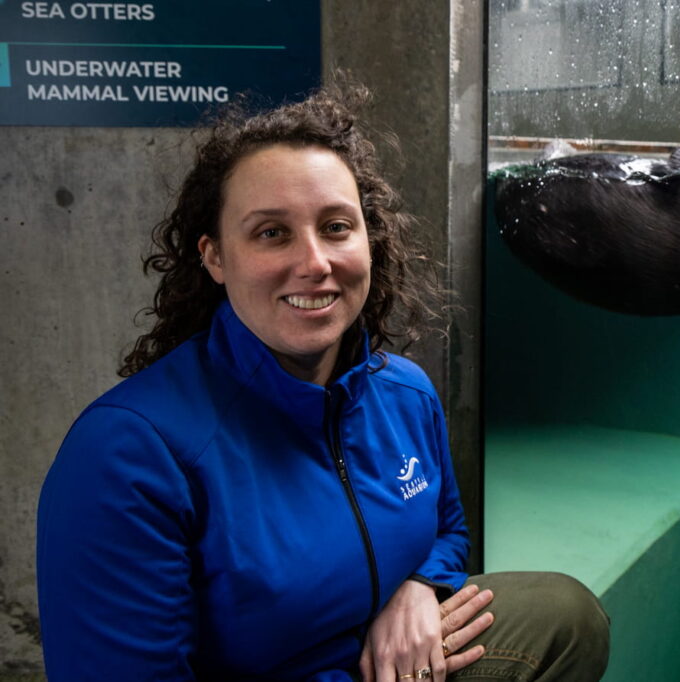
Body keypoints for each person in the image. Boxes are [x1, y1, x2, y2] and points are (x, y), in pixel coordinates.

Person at [36, 78, 609, 681]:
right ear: (215, 257)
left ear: (369, 239)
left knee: (564, 616)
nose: (314, 264)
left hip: (386, 667)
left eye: (336, 226)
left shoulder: (406, 394)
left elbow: (447, 527)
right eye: (271, 232)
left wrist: (417, 587)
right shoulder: (128, 453)